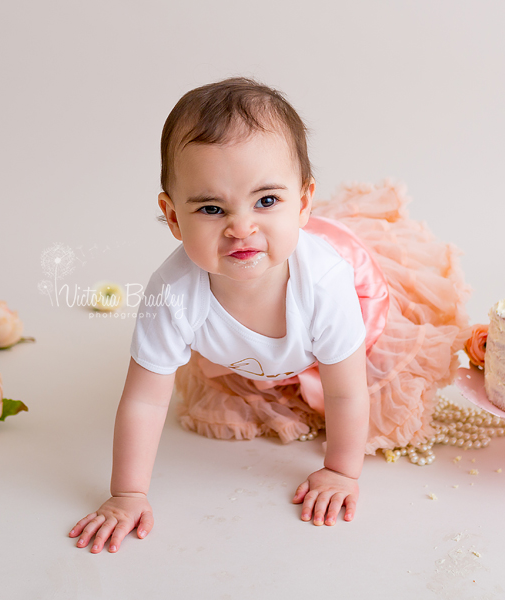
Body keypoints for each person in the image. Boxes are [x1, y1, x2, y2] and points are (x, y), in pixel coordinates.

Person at [69, 77, 469, 553]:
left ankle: (305, 368)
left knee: (357, 375)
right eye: (213, 208)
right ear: (174, 217)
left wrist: (341, 471)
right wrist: (126, 494)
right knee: (240, 387)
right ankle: (278, 369)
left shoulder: (325, 283)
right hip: (256, 352)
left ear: (302, 203)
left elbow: (346, 392)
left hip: (357, 316)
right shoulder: (173, 294)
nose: (242, 227)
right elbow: (145, 401)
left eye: (266, 201)